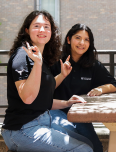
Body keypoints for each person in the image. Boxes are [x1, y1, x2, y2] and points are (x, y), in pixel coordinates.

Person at [1, 11, 93, 151]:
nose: (42, 30)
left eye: (46, 26)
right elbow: (28, 97)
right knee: (83, 149)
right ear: (27, 30)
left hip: (41, 123)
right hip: (21, 129)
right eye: (37, 26)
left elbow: (41, 93)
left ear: (51, 32)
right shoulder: (23, 55)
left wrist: (63, 80)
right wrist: (37, 63)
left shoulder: (38, 57)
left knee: (87, 143)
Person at [50, 23, 116, 152]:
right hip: (56, 112)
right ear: (69, 40)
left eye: (86, 40)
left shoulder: (92, 65)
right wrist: (61, 75)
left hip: (80, 116)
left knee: (96, 147)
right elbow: (45, 89)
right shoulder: (56, 61)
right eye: (78, 38)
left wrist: (100, 89)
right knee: (77, 142)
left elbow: (114, 85)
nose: (82, 43)